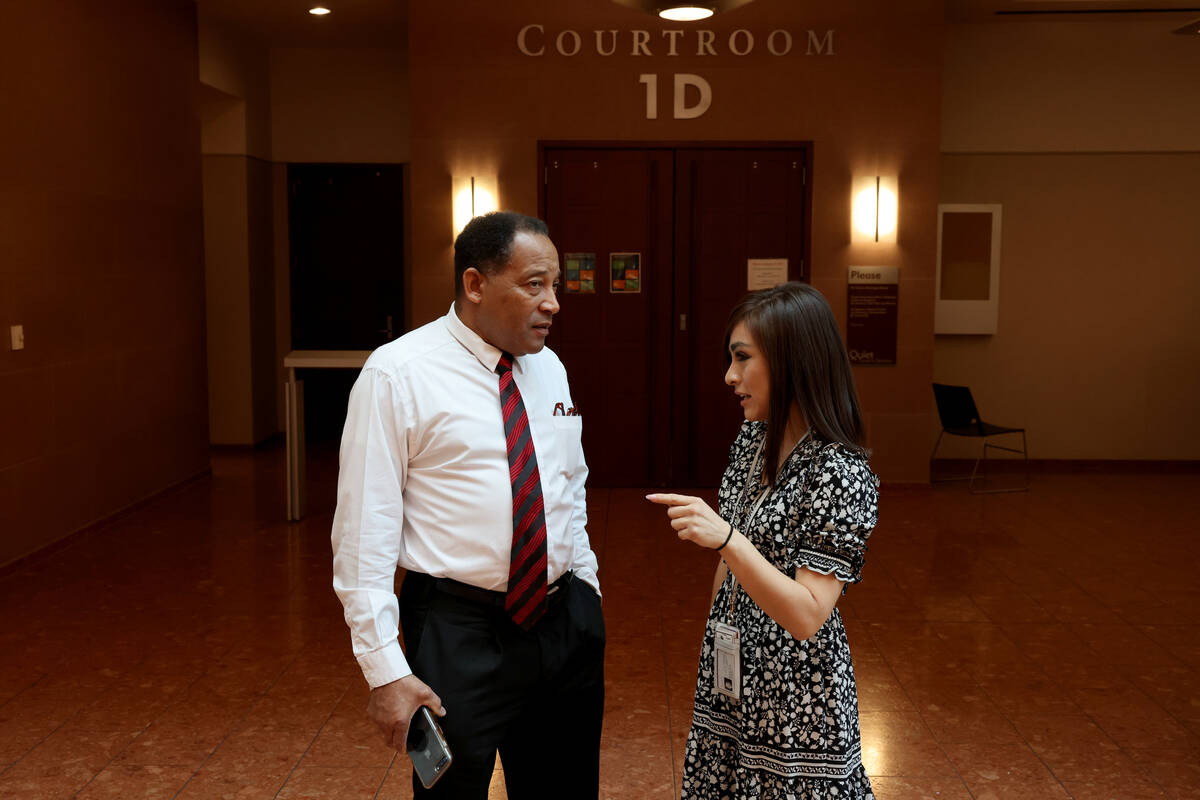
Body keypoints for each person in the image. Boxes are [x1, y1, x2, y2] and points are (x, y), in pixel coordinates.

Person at [331, 211, 605, 799]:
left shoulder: (550, 368)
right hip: (459, 631)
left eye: (556, 285)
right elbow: (363, 537)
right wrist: (385, 673)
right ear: (476, 284)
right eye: (534, 284)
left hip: (562, 627)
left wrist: (586, 588)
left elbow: (567, 484)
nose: (553, 302)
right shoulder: (397, 375)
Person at [648, 282, 879, 799]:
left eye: (742, 358)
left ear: (791, 359)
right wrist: (716, 650)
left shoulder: (839, 471)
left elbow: (808, 614)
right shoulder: (754, 439)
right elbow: (727, 569)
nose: (730, 376)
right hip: (732, 680)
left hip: (797, 698)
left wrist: (728, 538)